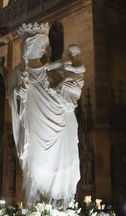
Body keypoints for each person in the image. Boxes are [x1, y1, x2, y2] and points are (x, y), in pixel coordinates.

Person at [7, 22, 83, 206]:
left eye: (45, 45)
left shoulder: (51, 71)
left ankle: (57, 204)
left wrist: (70, 86)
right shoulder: (19, 73)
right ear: (27, 47)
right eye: (40, 45)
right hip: (36, 125)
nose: (44, 48)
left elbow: (65, 97)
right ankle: (37, 204)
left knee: (60, 164)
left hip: (58, 125)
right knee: (36, 165)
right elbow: (12, 98)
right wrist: (19, 95)